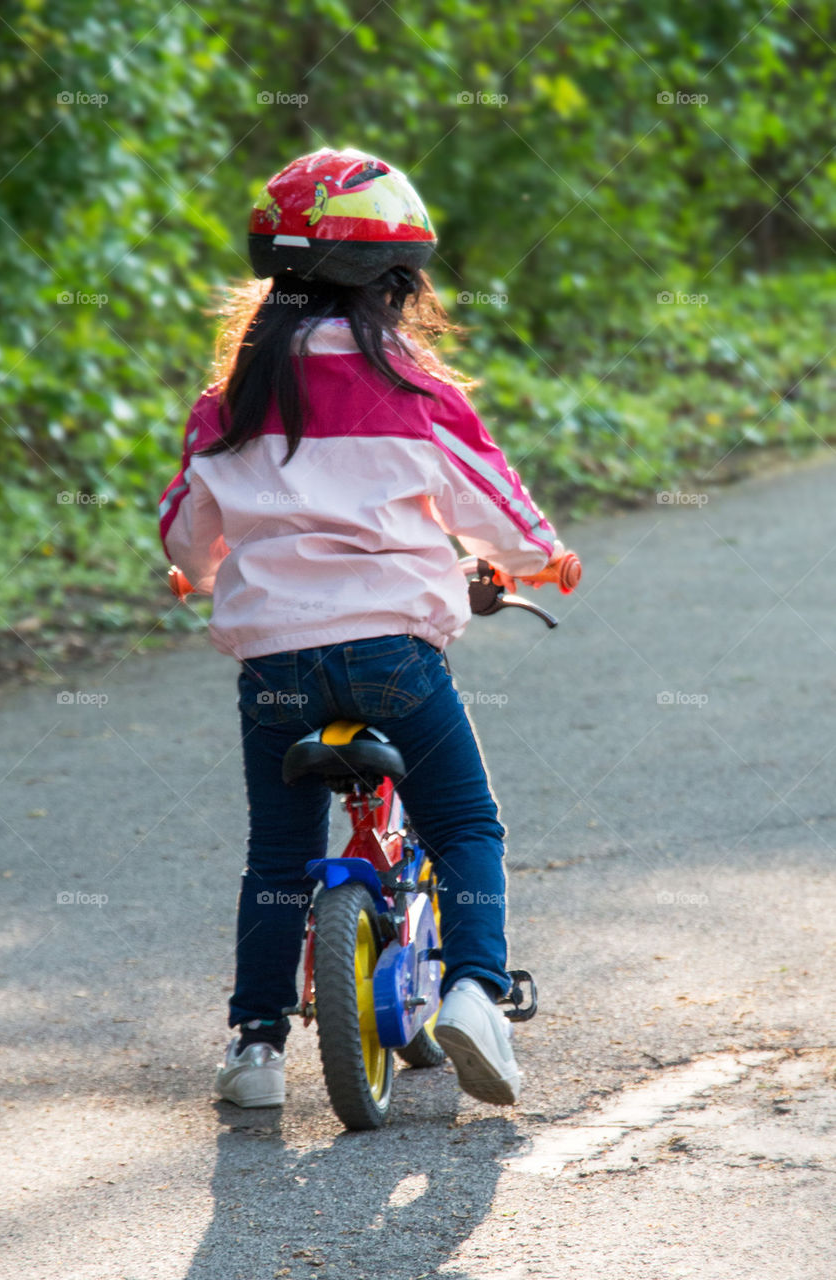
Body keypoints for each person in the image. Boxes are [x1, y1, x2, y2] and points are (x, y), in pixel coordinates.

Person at [159, 146, 570, 1111]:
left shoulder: (230, 406)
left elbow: (187, 524)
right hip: (394, 658)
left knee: (276, 857)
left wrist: (198, 574)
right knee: (465, 822)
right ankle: (475, 992)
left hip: (276, 668)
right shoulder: (415, 392)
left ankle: (256, 1047)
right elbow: (494, 502)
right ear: (393, 288)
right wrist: (542, 552)